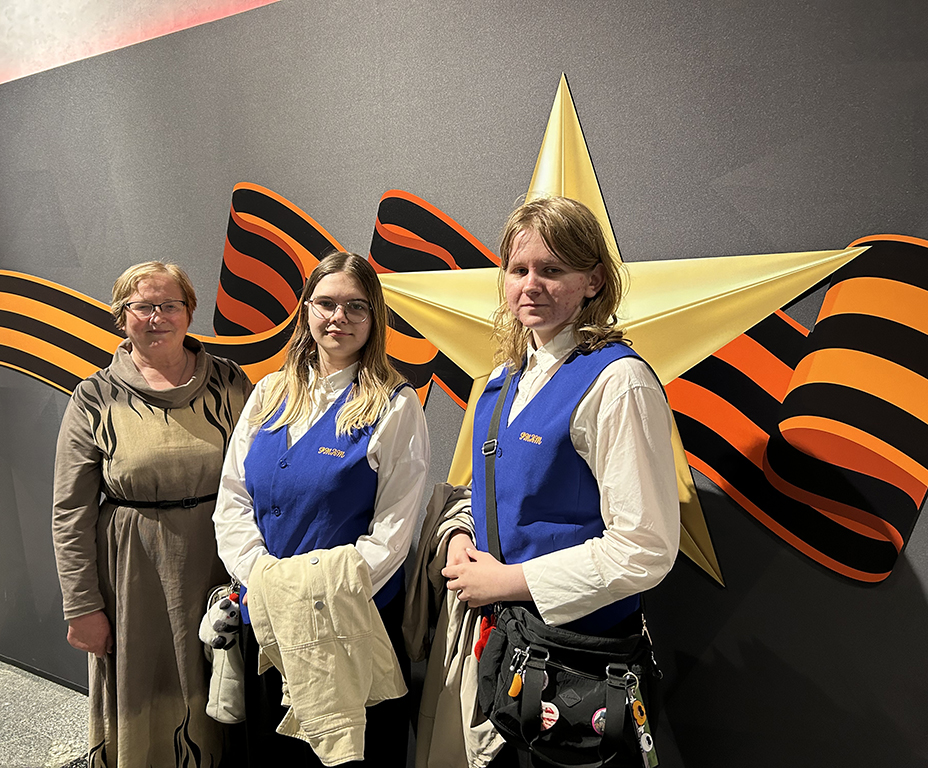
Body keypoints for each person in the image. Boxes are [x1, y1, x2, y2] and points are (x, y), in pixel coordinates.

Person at [441, 196, 680, 766]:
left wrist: (508, 581)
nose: (531, 285)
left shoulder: (617, 382)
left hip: (576, 669)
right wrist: (461, 536)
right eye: (518, 269)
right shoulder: (503, 380)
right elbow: (494, 492)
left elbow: (645, 549)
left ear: (593, 280)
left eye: (551, 270)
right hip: (506, 652)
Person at [212, 251, 430, 767]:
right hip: (267, 619)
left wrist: (311, 594)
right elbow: (232, 499)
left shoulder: (395, 404)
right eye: (326, 304)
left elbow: (393, 534)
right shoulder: (269, 392)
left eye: (356, 306)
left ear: (374, 317)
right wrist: (264, 580)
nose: (339, 317)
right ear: (306, 310)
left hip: (349, 625)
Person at [52, 261, 253, 768]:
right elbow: (71, 510)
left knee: (220, 678)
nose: (157, 317)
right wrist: (81, 605)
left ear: (189, 312)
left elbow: (263, 474)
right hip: (132, 574)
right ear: (122, 316)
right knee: (143, 685)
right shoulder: (95, 397)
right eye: (142, 306)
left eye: (170, 305)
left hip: (221, 560)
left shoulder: (230, 383)